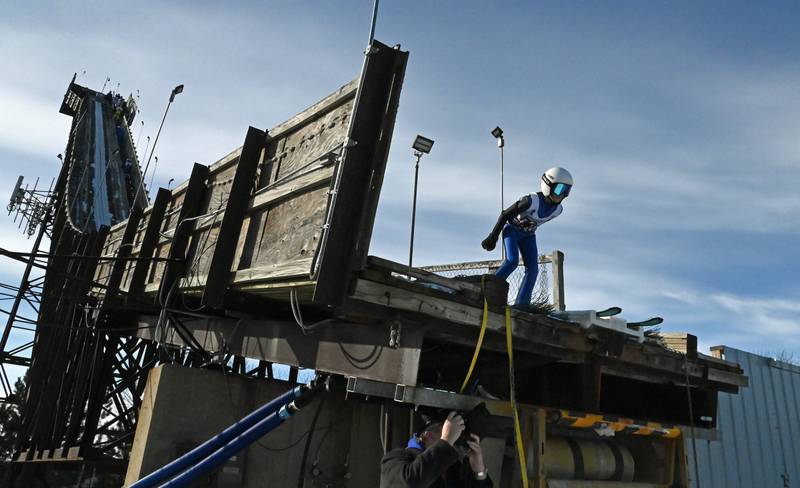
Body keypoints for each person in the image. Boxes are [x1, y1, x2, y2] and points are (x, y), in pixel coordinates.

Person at [481, 166, 573, 308]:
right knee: (512, 261)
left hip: (529, 235)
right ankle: (486, 291)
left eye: (567, 191)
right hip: (512, 230)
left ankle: (522, 305)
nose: (562, 195)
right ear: (548, 185)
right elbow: (505, 214)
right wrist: (493, 236)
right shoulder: (531, 201)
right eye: (560, 189)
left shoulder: (558, 210)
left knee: (533, 269)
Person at [380, 411, 492, 488]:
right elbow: (410, 484)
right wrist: (446, 441)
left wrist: (479, 471)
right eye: (450, 433)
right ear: (428, 435)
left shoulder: (454, 469)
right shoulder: (395, 459)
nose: (453, 443)